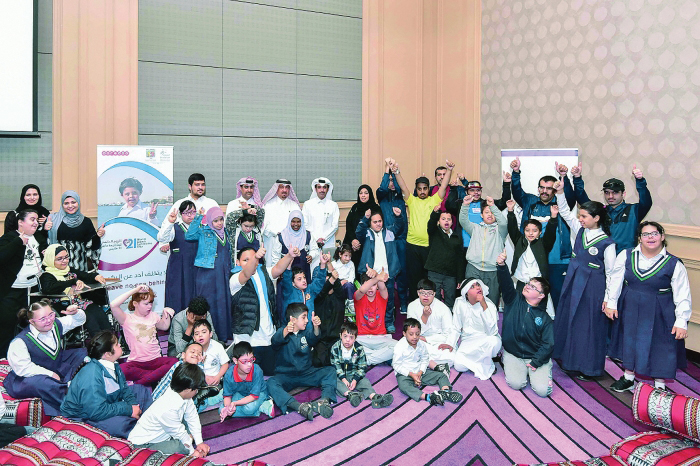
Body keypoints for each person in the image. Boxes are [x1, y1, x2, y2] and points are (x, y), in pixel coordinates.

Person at [606, 222, 691, 392]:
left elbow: (683, 294)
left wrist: (682, 321)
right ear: (639, 238)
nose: (650, 237)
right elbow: (615, 280)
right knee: (629, 340)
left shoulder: (674, 264)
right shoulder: (626, 255)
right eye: (645, 234)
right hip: (630, 305)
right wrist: (611, 303)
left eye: (654, 233)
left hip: (661, 309)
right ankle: (628, 378)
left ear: (662, 236)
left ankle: (659, 385)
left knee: (660, 344)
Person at [552, 181, 616, 380]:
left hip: (593, 288)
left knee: (589, 326)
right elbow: (564, 212)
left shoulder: (607, 243)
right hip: (573, 282)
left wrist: (608, 299)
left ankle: (590, 369)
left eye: (584, 216)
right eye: (579, 216)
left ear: (596, 218)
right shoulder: (579, 230)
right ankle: (570, 362)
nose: (580, 219)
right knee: (571, 321)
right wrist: (560, 192)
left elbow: (612, 274)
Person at [510, 158, 576, 308]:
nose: (544, 191)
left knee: (561, 300)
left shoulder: (562, 204)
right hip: (534, 262)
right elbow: (517, 191)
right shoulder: (529, 201)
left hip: (557, 261)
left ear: (555, 189)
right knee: (531, 302)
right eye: (542, 187)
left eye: (549, 188)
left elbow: (570, 196)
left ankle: (560, 324)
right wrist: (516, 172)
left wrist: (563, 177)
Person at [60, 330, 152, 438]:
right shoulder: (92, 375)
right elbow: (96, 411)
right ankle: (137, 425)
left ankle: (140, 418)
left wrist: (134, 406)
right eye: (116, 344)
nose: (120, 345)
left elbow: (124, 390)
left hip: (104, 403)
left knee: (141, 390)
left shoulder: (113, 364)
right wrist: (128, 409)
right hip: (85, 417)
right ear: (107, 354)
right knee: (121, 425)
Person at [4, 300, 88, 416]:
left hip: (55, 365)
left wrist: (76, 312)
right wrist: (50, 374)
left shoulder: (56, 324)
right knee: (43, 383)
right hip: (31, 376)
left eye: (51, 315)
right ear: (32, 322)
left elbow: (79, 320)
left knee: (84, 353)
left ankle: (70, 384)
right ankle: (73, 403)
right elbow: (23, 369)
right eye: (42, 319)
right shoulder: (20, 341)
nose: (49, 320)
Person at [393, 160, 454, 300]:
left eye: (425, 188)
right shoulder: (412, 201)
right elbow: (403, 187)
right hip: (412, 246)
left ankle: (428, 305)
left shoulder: (434, 200)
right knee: (413, 279)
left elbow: (443, 186)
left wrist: (449, 170)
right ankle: (414, 305)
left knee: (428, 280)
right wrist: (396, 172)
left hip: (429, 247)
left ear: (428, 189)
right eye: (419, 189)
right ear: (416, 189)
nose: (422, 191)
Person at [229, 246, 295, 375]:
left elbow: (277, 269)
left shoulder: (263, 272)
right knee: (251, 377)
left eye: (253, 258)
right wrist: (255, 258)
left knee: (271, 374)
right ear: (237, 262)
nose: (251, 262)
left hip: (268, 337)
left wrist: (289, 255)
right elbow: (247, 273)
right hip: (248, 340)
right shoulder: (235, 278)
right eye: (246, 260)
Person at [496, 250, 554, 397]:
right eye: (528, 283)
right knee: (516, 384)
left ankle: (544, 368)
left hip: (535, 356)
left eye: (533, 287)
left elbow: (548, 344)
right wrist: (502, 266)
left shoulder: (545, 318)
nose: (527, 286)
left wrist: (536, 362)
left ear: (541, 295)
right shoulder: (512, 300)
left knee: (542, 391)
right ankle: (511, 362)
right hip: (513, 353)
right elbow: (506, 283)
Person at [267, 303, 337, 421]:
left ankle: (324, 401)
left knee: (330, 371)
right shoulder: (283, 332)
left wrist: (316, 327)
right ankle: (298, 406)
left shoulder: (305, 332)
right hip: (287, 376)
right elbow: (275, 341)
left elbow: (314, 338)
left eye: (307, 317)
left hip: (306, 373)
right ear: (293, 320)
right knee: (270, 383)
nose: (307, 320)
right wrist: (286, 330)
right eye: (303, 317)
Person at [128, 364, 211, 458]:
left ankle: (186, 439)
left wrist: (199, 442)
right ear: (188, 389)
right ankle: (185, 442)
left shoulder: (182, 394)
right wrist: (193, 452)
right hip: (144, 445)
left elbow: (192, 417)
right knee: (182, 447)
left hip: (166, 432)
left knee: (188, 426)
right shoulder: (168, 407)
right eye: (196, 389)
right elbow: (179, 433)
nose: (197, 392)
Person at [568, 162, 652, 253]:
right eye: (607, 192)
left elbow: (646, 202)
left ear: (623, 194)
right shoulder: (601, 210)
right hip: (602, 257)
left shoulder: (634, 210)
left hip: (626, 257)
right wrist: (577, 178)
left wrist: (640, 181)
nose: (610, 196)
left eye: (615, 192)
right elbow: (583, 201)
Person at [109, 284, 178, 386]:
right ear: (135, 303)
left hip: (155, 360)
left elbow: (164, 326)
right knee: (121, 370)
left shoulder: (153, 316)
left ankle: (140, 382)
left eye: (151, 303)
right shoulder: (126, 319)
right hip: (137, 362)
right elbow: (113, 305)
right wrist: (135, 290)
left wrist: (166, 313)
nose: (150, 306)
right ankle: (154, 376)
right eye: (146, 304)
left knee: (175, 362)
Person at [0, 209, 46, 357]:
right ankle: (3, 359)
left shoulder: (37, 238)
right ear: (20, 222)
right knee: (7, 326)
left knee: (33, 325)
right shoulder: (10, 237)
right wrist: (18, 242)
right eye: (32, 219)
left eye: (37, 219)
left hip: (33, 289)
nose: (36, 222)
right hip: (13, 291)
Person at [39, 244, 111, 337]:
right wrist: (72, 281)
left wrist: (96, 276)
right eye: (60, 259)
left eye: (66, 257)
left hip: (79, 302)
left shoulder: (69, 270)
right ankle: (99, 344)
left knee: (100, 314)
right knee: (90, 319)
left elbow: (85, 276)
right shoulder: (46, 276)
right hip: (64, 306)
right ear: (50, 259)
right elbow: (49, 288)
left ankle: (111, 341)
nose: (65, 261)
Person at [505, 199, 558, 319]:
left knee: (539, 312)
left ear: (540, 232)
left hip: (538, 284)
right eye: (527, 230)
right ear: (524, 231)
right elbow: (512, 228)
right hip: (522, 281)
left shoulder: (544, 244)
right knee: (520, 310)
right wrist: (510, 211)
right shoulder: (519, 241)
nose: (531, 233)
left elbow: (551, 233)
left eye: (534, 231)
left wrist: (553, 217)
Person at [185, 207, 232, 341]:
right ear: (210, 221)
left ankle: (224, 335)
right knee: (210, 303)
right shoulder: (204, 231)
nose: (219, 223)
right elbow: (189, 235)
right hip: (207, 274)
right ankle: (207, 337)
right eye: (215, 221)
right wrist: (198, 217)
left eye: (221, 219)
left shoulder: (227, 232)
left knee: (223, 303)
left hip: (224, 273)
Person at [392, 318, 463, 406]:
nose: (415, 337)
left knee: (441, 376)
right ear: (404, 334)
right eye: (411, 334)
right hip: (405, 374)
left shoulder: (421, 344)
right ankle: (429, 397)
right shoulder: (399, 347)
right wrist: (412, 375)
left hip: (419, 371)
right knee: (403, 386)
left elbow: (425, 358)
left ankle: (446, 392)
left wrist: (420, 372)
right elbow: (396, 365)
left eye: (417, 334)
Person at [356, 207, 405, 333]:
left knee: (389, 300)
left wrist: (398, 216)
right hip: (370, 274)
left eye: (380, 221)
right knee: (369, 300)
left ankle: (388, 322)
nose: (378, 224)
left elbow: (400, 227)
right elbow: (358, 232)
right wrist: (365, 218)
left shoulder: (389, 232)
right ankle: (369, 323)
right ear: (370, 223)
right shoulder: (366, 233)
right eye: (375, 222)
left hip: (387, 274)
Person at [330, 322, 394, 408]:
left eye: (351, 337)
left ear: (355, 338)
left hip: (354, 374)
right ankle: (350, 395)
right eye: (345, 336)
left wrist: (355, 379)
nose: (348, 340)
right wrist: (343, 379)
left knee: (365, 382)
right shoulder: (335, 348)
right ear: (340, 336)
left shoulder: (359, 348)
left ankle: (375, 397)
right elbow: (335, 365)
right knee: (334, 381)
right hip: (340, 377)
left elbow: (362, 366)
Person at [459, 195, 508, 306]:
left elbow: (503, 223)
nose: (490, 214)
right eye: (486, 212)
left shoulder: (500, 230)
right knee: (471, 302)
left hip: (493, 271)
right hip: (473, 268)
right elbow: (463, 220)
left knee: (492, 302)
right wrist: (465, 205)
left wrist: (493, 206)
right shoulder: (475, 228)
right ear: (481, 215)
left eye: (492, 212)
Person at [451, 278, 501, 380]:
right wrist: (450, 344)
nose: (478, 288)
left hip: (485, 339)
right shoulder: (459, 303)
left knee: (494, 342)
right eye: (472, 287)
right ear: (466, 293)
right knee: (458, 365)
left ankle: (483, 362)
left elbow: (492, 332)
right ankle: (483, 362)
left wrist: (484, 305)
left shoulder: (489, 305)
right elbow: (456, 327)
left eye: (478, 285)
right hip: (468, 341)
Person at [376, 159, 409, 314]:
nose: (391, 183)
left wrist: (395, 173)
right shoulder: (381, 197)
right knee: (387, 272)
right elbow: (382, 188)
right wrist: (386, 170)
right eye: (389, 180)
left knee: (402, 271)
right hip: (387, 240)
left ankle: (403, 302)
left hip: (401, 239)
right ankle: (389, 304)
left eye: (393, 180)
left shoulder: (401, 196)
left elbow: (402, 186)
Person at [407, 279, 458, 377]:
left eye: (429, 293)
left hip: (438, 341)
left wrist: (427, 339)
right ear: (418, 293)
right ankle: (435, 366)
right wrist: (424, 317)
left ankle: (424, 363)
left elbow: (448, 333)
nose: (426, 296)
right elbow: (411, 330)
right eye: (423, 293)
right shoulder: (412, 306)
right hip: (418, 340)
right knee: (407, 345)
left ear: (434, 294)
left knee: (451, 356)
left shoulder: (443, 308)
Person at [46, 191, 104, 273]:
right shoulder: (53, 219)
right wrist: (45, 229)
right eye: (66, 203)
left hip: (79, 265)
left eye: (73, 202)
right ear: (62, 205)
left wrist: (97, 235)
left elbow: (91, 245)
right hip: (58, 266)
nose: (70, 206)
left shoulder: (86, 221)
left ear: (78, 203)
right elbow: (45, 241)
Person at [157, 200, 198, 312]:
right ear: (180, 214)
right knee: (177, 296)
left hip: (195, 268)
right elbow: (162, 238)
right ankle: (176, 321)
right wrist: (170, 222)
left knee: (194, 296)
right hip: (178, 268)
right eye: (187, 213)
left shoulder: (199, 228)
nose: (190, 215)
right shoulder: (175, 228)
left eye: (193, 212)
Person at [219, 341, 275, 420]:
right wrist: (228, 408)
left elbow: (254, 396)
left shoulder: (256, 370)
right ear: (235, 360)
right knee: (221, 410)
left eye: (251, 360)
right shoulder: (229, 374)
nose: (249, 364)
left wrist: (235, 403)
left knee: (249, 409)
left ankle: (265, 404)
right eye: (244, 361)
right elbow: (227, 396)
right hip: (240, 393)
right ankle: (258, 409)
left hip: (259, 393)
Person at [353, 270, 397, 364]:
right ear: (362, 285)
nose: (370, 288)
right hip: (362, 338)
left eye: (373, 285)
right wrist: (376, 278)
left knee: (398, 346)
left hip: (380, 337)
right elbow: (362, 290)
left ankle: (367, 360)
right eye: (368, 285)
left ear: (377, 286)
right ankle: (380, 356)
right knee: (349, 346)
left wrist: (377, 275)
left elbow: (383, 288)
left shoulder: (382, 296)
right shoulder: (358, 296)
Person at [425, 207, 465, 309]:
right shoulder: (435, 232)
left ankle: (449, 318)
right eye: (443, 219)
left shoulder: (457, 237)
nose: (446, 221)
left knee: (450, 299)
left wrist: (460, 278)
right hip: (435, 272)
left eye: (449, 219)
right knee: (435, 299)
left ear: (452, 222)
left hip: (450, 275)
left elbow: (460, 259)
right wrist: (435, 212)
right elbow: (431, 224)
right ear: (438, 222)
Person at [310, 263, 345, 367]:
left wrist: (329, 264)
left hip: (336, 339)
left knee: (337, 363)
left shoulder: (339, 297)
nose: (328, 283)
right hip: (322, 340)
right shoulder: (318, 299)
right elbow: (323, 291)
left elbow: (337, 285)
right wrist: (331, 280)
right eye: (325, 282)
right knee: (317, 362)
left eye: (329, 280)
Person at [279, 254, 329, 323]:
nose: (304, 281)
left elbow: (319, 282)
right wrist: (288, 266)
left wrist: (323, 264)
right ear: (293, 283)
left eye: (304, 277)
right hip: (294, 328)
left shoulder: (310, 290)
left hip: (309, 327)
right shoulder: (289, 291)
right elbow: (286, 280)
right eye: (299, 279)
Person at [271, 210, 319, 282]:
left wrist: (312, 256)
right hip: (285, 274)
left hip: (304, 273)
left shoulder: (308, 235)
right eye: (293, 221)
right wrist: (277, 271)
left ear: (302, 222)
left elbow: (315, 249)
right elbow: (275, 256)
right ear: (289, 222)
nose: (296, 224)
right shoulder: (281, 237)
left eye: (298, 221)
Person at [262, 179, 301, 265]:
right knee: (271, 268)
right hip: (272, 242)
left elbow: (300, 225)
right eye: (281, 187)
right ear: (276, 189)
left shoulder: (294, 205)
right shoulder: (268, 205)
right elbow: (263, 227)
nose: (284, 190)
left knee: (290, 267)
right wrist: (276, 234)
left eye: (287, 187)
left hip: (290, 243)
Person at [192, 320, 228, 411]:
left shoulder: (217, 346)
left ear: (211, 334)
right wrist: (203, 378)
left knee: (222, 387)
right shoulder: (192, 350)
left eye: (204, 332)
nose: (200, 335)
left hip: (215, 380)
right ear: (193, 338)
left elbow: (225, 364)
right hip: (199, 380)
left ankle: (203, 398)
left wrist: (218, 376)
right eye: (197, 334)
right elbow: (190, 369)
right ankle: (202, 397)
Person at [343, 185, 379, 275]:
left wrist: (360, 242)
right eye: (361, 193)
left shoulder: (375, 209)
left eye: (366, 193)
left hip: (367, 245)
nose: (363, 195)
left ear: (370, 195)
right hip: (353, 245)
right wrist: (353, 240)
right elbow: (349, 225)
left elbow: (377, 227)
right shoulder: (355, 207)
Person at [302, 177, 340, 261]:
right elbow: (305, 224)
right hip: (312, 243)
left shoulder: (333, 205)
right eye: (319, 187)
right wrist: (316, 239)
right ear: (315, 189)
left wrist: (323, 239)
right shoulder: (307, 204)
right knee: (313, 267)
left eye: (324, 187)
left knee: (328, 267)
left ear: (328, 189)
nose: (322, 190)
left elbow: (335, 226)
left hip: (328, 243)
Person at [331, 243, 357, 314]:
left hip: (347, 284)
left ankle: (350, 302)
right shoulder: (334, 264)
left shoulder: (351, 264)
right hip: (337, 284)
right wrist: (339, 283)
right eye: (346, 256)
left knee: (349, 285)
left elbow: (352, 277)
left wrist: (345, 281)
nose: (348, 258)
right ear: (340, 254)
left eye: (350, 256)